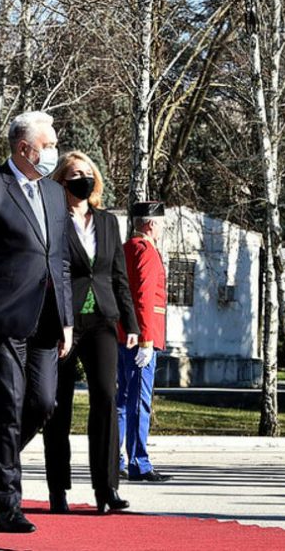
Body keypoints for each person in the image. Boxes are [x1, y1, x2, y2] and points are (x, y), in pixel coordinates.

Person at [0, 111, 74, 532]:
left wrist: (68, 320)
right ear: (25, 148)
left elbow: (58, 259)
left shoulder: (55, 195)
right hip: (0, 318)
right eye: (49, 144)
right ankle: (8, 505)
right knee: (7, 407)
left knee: (42, 403)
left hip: (46, 318)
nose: (54, 151)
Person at [43, 152, 139, 514]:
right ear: (61, 181)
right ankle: (58, 489)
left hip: (101, 319)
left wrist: (131, 322)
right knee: (58, 405)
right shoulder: (51, 221)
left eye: (87, 174)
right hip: (61, 321)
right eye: (73, 174)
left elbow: (118, 275)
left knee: (105, 397)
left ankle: (106, 487)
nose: (81, 179)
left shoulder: (108, 222)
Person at [117, 201, 172, 482]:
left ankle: (115, 460)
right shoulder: (147, 252)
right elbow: (143, 298)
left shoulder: (126, 249)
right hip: (142, 337)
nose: (162, 229)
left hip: (124, 334)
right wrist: (146, 340)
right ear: (150, 224)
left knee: (123, 400)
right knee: (139, 400)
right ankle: (139, 462)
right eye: (161, 223)